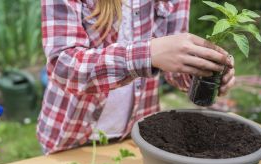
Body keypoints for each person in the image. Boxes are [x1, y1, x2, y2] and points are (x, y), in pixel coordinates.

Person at [38, 0, 235, 154]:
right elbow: (63, 66)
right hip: (71, 137)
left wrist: (201, 71)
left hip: (137, 135)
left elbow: (173, 66)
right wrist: (147, 54)